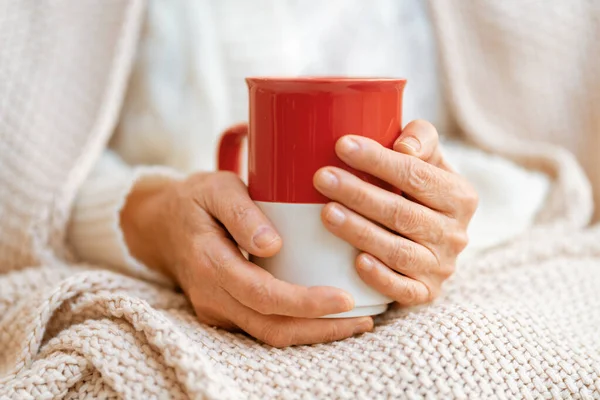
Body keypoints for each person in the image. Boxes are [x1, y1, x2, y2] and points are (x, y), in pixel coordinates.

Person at [66, 0, 545, 347]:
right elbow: (32, 177)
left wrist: (439, 205)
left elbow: (550, 146)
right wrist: (157, 221)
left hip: (429, 302)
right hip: (160, 289)